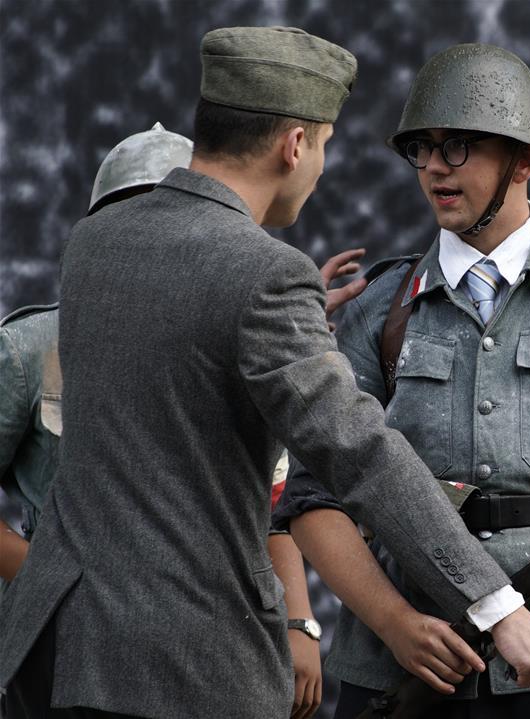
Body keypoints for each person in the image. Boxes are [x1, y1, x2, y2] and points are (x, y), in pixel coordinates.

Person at [0, 28, 530, 719]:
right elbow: (362, 455)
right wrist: (500, 609)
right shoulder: (266, 272)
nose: (319, 169)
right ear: (294, 145)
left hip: (62, 657)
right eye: (323, 146)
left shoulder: (95, 242)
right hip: (189, 668)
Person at [273, 43, 530, 717]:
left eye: (460, 147)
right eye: (424, 148)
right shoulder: (381, 310)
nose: (435, 168)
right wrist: (391, 622)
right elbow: (315, 500)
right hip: (408, 664)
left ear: (524, 160)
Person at [0, 122, 367, 718]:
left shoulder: (230, 335)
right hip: (67, 651)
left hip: (209, 637)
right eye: (138, 210)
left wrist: (299, 620)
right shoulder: (31, 347)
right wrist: (56, 582)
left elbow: (269, 497)